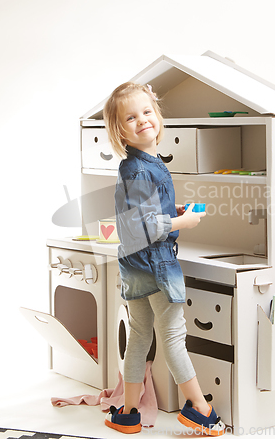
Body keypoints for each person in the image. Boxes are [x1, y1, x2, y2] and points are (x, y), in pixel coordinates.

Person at [103, 82, 226, 436]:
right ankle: (200, 410)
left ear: (156, 115)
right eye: (130, 117)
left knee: (140, 336)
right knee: (173, 337)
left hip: (133, 266)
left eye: (146, 111)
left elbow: (142, 215)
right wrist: (181, 221)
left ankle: (127, 413)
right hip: (156, 266)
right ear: (120, 130)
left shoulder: (140, 165)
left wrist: (173, 210)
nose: (142, 120)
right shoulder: (142, 169)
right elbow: (148, 225)